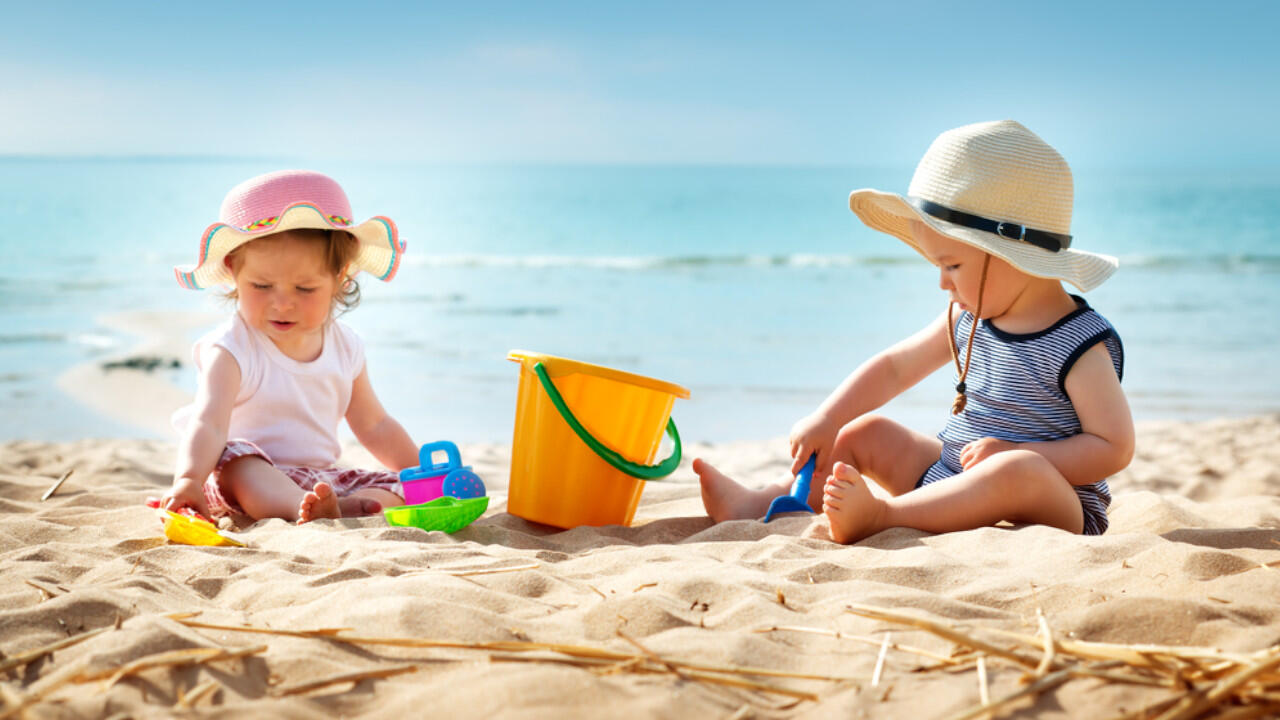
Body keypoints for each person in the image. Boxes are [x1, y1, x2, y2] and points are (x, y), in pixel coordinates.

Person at [695, 120, 1134, 543]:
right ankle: (769, 503)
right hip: (950, 476)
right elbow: (894, 369)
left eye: (952, 265)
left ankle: (886, 516)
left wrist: (1023, 456)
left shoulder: (1078, 342)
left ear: (1011, 254)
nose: (943, 282)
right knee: (863, 433)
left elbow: (1114, 447)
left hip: (1050, 499)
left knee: (1018, 469)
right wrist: (828, 419)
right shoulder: (968, 317)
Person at [161, 169, 418, 524]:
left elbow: (374, 425)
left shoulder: (346, 347)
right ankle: (299, 505)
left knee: (394, 486)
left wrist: (420, 471)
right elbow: (209, 425)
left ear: (340, 277)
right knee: (239, 460)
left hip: (319, 478)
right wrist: (187, 480)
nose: (282, 304)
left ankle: (337, 506)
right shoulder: (232, 349)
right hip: (243, 475)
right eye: (262, 287)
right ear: (234, 270)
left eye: (304, 289)